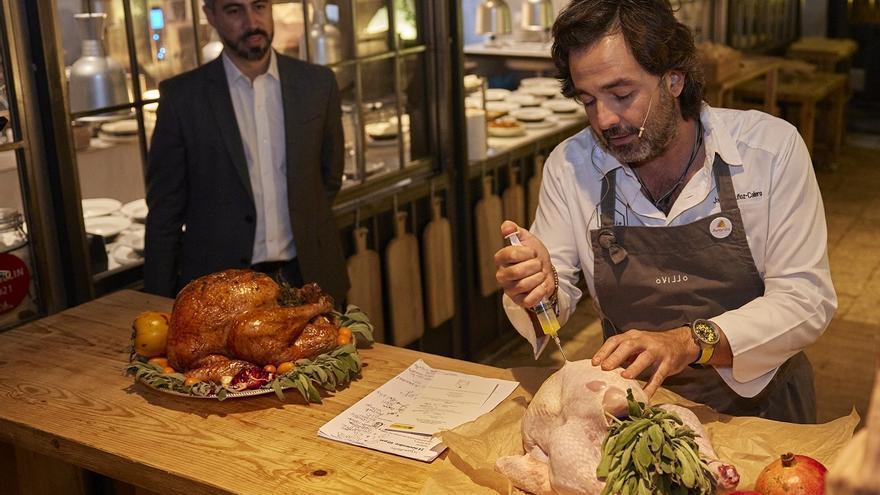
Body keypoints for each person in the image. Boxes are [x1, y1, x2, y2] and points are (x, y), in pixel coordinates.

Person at [494, 0, 836, 424]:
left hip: (762, 411)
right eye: (588, 101)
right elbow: (555, 293)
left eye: (621, 94)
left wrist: (689, 341)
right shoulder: (572, 166)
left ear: (674, 79)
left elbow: (806, 300)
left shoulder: (769, 150)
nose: (604, 119)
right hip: (632, 412)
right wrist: (537, 288)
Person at [144, 0, 349, 303]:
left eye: (259, 6)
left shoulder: (318, 84)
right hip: (221, 291)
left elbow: (329, 177)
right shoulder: (182, 98)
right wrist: (156, 303)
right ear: (210, 15)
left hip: (310, 277)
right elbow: (165, 214)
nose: (252, 22)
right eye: (234, 10)